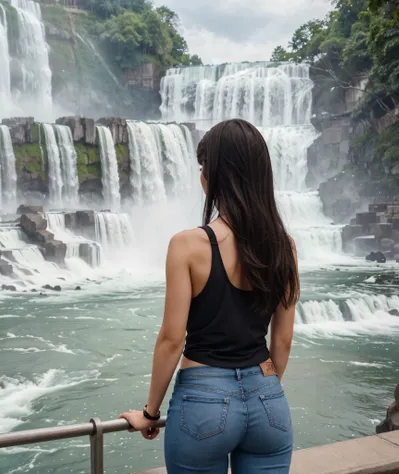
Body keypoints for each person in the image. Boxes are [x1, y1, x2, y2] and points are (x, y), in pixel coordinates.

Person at [120, 118, 299, 474]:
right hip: (269, 402)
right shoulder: (285, 246)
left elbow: (172, 340)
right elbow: (283, 338)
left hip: (203, 403)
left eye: (203, 167)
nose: (201, 175)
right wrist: (259, 391)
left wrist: (150, 413)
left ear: (215, 175)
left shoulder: (187, 245)